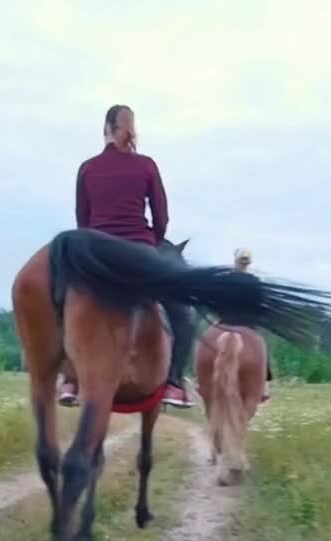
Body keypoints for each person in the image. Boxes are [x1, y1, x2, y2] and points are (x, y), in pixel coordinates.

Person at [57, 104, 195, 409]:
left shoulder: (87, 168)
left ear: (105, 129)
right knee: (183, 314)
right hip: (140, 253)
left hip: (96, 253)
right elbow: (161, 218)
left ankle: (70, 378)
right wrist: (153, 243)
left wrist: (96, 243)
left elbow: (82, 219)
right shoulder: (146, 165)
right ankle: (173, 383)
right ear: (129, 129)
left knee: (62, 301)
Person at [232, 247, 272, 403]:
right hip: (248, 325)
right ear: (248, 263)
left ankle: (200, 381)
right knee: (262, 345)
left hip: (225, 322)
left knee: (205, 340)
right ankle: (265, 385)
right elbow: (261, 306)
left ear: (235, 260)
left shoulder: (225, 278)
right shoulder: (255, 282)